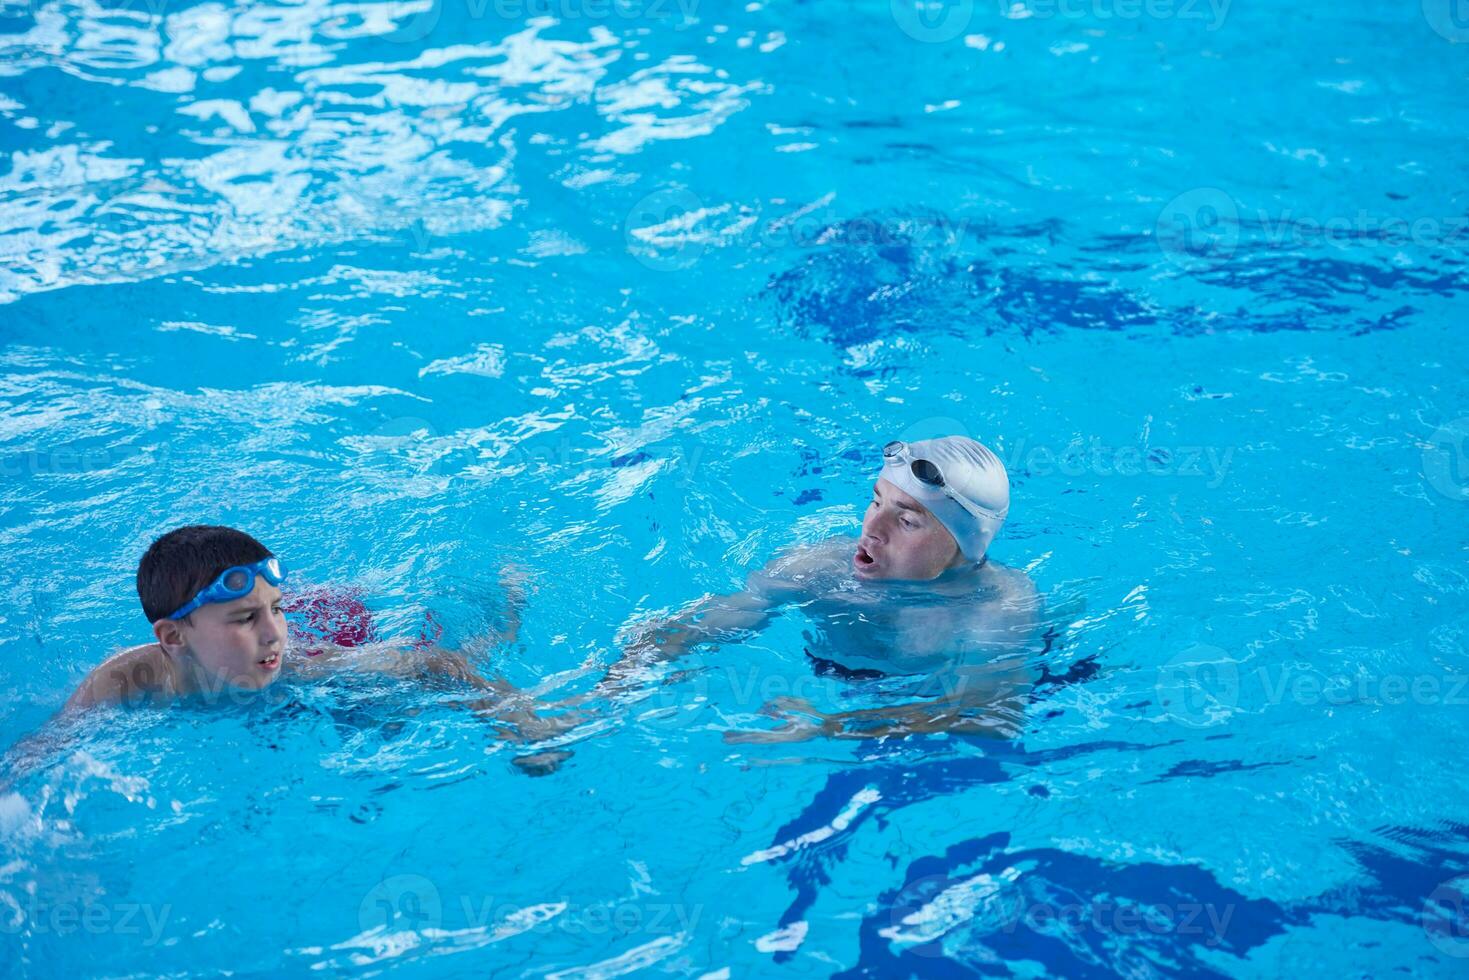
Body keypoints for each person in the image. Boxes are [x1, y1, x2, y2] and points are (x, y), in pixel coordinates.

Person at [596, 435, 1043, 742]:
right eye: (875, 500)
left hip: (911, 711)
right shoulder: (820, 565)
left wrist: (830, 727)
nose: (871, 528)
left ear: (965, 549)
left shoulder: (996, 609)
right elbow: (727, 614)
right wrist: (615, 687)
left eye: (906, 520)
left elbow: (990, 717)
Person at [60, 525, 574, 768]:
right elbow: (38, 754)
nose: (273, 634)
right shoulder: (125, 683)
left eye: (275, 611)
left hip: (337, 631)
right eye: (246, 619)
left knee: (415, 700)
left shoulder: (294, 660)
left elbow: (435, 664)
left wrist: (513, 718)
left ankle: (508, 596)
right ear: (173, 638)